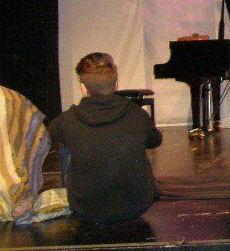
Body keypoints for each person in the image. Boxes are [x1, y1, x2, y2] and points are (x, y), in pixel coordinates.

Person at [49, 52, 162, 223]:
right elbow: (155, 141)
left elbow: (48, 137)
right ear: (116, 85)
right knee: (138, 142)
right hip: (137, 206)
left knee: (65, 144)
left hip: (85, 209)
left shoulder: (66, 120)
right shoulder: (138, 115)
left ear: (83, 88)